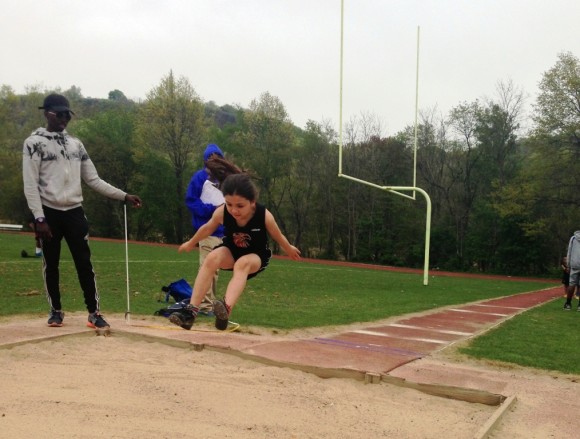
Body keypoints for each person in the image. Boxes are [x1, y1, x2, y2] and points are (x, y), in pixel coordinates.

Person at [22, 93, 142, 329]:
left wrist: (123, 196)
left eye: (67, 115)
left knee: (84, 263)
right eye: (59, 114)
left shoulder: (76, 145)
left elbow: (93, 179)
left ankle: (94, 312)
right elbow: (30, 183)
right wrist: (39, 217)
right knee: (51, 264)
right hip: (48, 212)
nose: (64, 119)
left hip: (75, 211)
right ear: (47, 113)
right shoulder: (34, 143)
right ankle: (56, 310)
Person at [170, 170, 301, 331]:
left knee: (242, 263)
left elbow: (277, 235)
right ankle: (191, 312)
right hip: (231, 250)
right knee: (211, 258)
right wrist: (191, 242)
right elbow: (207, 228)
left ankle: (225, 307)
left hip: (256, 255)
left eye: (240, 206)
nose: (234, 210)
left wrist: (288, 248)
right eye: (229, 204)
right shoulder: (222, 212)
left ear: (252, 202)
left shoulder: (264, 215)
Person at [184, 144, 226, 316]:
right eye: (211, 157)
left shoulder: (226, 179)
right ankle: (205, 306)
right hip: (206, 230)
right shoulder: (200, 178)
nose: (214, 160)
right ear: (206, 160)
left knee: (215, 271)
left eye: (217, 157)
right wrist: (211, 209)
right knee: (207, 267)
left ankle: (207, 303)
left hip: (222, 232)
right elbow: (191, 200)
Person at [564, 230, 580, 311]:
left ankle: (568, 304)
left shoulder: (573, 238)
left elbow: (569, 252)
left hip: (574, 264)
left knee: (571, 284)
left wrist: (568, 265)